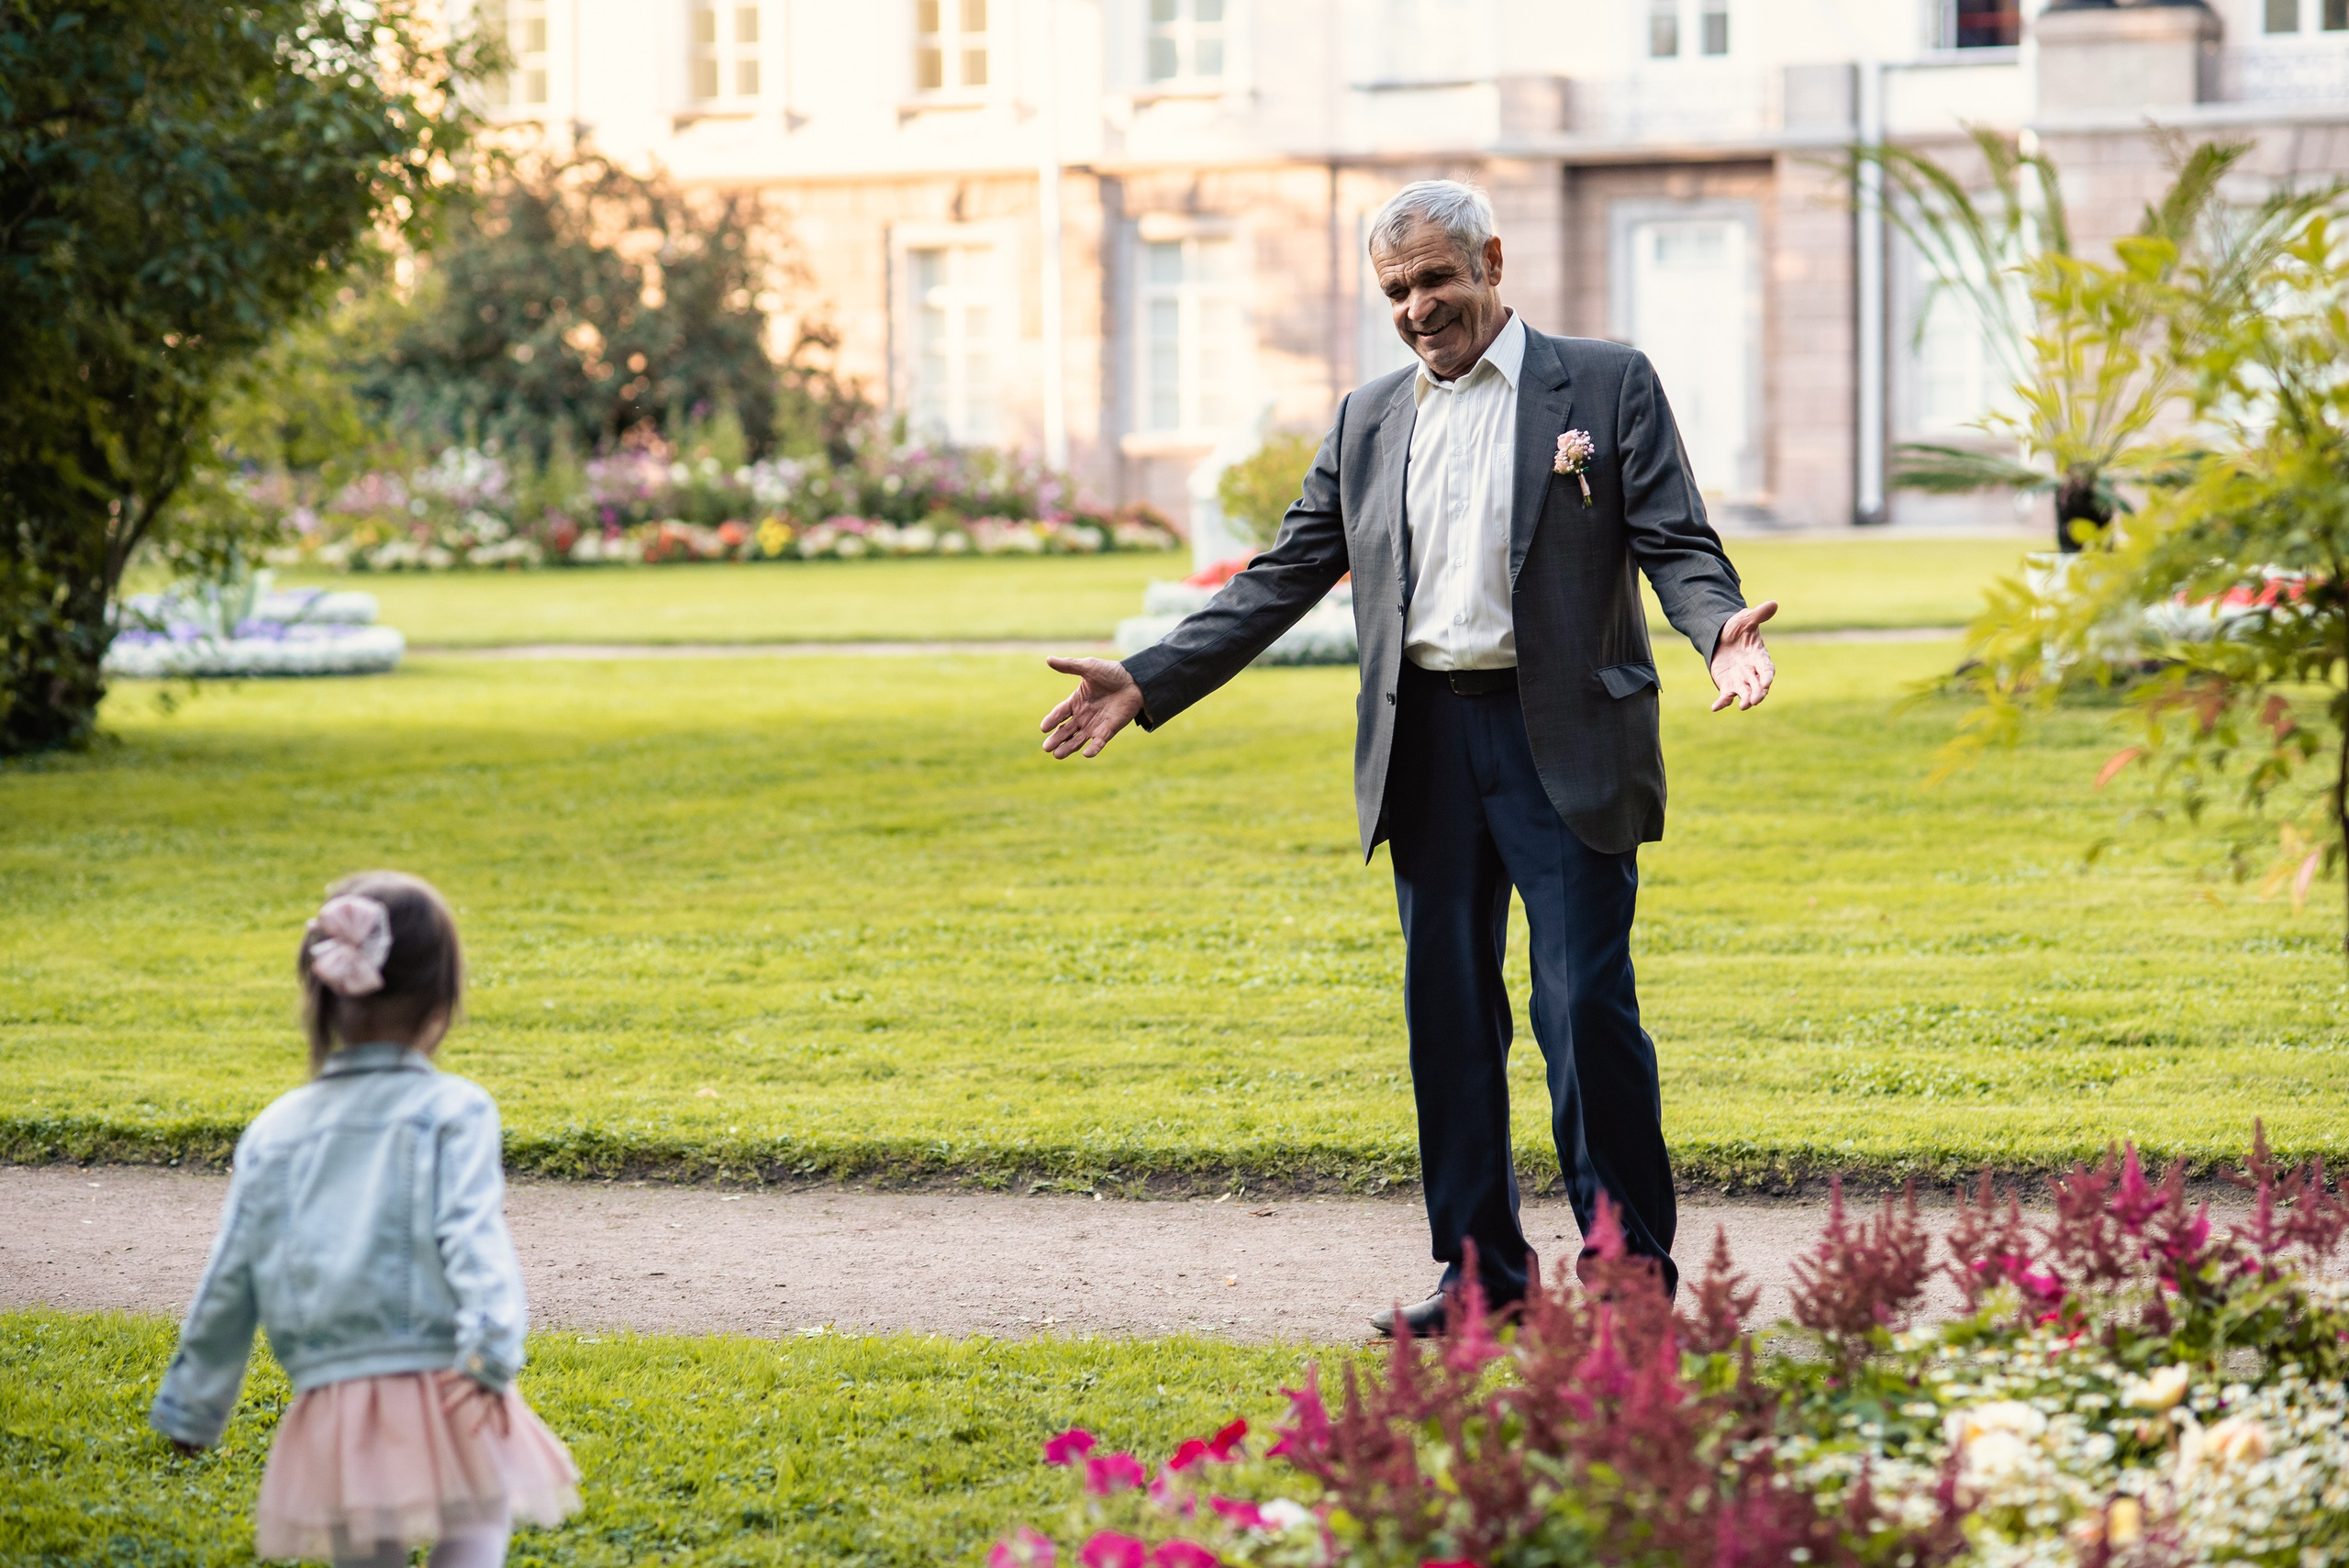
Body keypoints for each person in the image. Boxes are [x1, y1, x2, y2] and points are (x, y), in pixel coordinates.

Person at [1037, 180, 1776, 1337]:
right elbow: (1281, 576)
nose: (1419, 307)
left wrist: (1716, 627)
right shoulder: (1367, 416)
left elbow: (1673, 538)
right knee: (1446, 1010)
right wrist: (1148, 675)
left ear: (1490, 259)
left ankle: (1629, 1286)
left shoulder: (1605, 381)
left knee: (1583, 1006)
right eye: (1396, 289)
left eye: (1437, 279)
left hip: (1565, 740)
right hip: (1424, 742)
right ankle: (1483, 1275)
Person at [148, 872, 580, 1566]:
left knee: (364, 1549)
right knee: (477, 1518)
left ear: (321, 997)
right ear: (442, 1003)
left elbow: (231, 1274)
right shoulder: (454, 1110)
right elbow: (472, 1232)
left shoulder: (273, 1130)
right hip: (447, 1375)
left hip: (334, 1396)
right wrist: (493, 1341)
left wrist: (194, 1406)